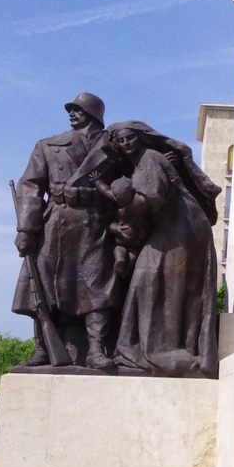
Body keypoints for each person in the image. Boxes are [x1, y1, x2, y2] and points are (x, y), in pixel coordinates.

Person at [93, 122, 221, 378]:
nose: (125, 144)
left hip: (183, 227)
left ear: (140, 138)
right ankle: (159, 348)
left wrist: (117, 212)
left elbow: (146, 201)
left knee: (155, 279)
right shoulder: (140, 165)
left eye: (130, 138)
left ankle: (163, 351)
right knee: (152, 279)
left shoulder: (150, 159)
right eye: (120, 141)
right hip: (173, 226)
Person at [11, 93, 120, 371]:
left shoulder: (114, 146)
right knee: (42, 286)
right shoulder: (48, 145)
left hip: (96, 222)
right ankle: (43, 349)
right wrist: (27, 228)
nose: (71, 113)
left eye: (78, 109)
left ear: (93, 114)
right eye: (70, 110)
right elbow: (30, 187)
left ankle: (96, 350)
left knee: (97, 287)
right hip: (55, 223)